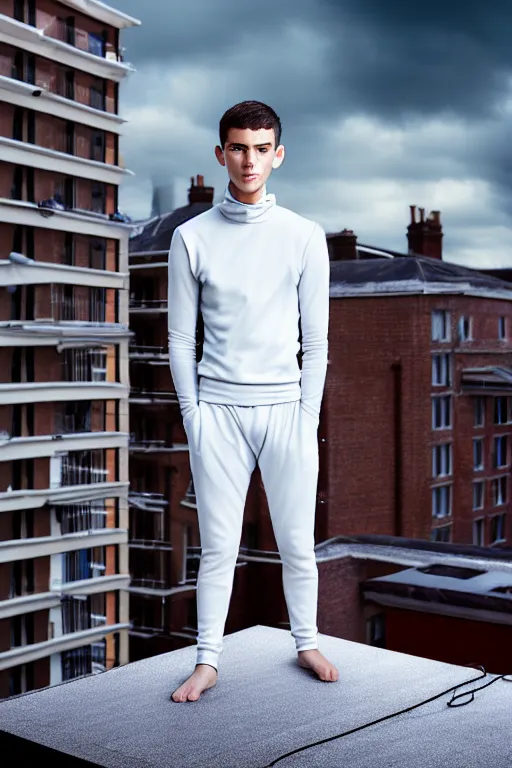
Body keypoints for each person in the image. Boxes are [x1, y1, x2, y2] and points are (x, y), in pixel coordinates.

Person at [168, 100, 339, 703]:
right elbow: (179, 339)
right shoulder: (190, 238)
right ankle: (208, 660)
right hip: (217, 411)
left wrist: (306, 413)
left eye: (262, 148)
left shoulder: (303, 237)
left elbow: (315, 339)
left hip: (287, 411)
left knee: (297, 541)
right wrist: (194, 418)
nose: (249, 160)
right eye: (239, 147)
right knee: (219, 546)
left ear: (278, 155)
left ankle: (307, 640)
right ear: (221, 155)